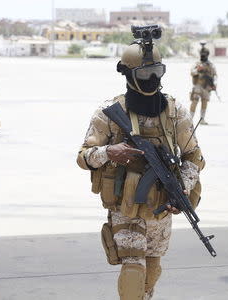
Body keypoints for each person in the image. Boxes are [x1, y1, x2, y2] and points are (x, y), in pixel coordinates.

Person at [76, 38, 205, 299]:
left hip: (161, 207)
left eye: (157, 72)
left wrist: (181, 188)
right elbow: (83, 157)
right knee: (133, 270)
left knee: (152, 270)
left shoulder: (175, 111)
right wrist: (109, 152)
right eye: (145, 73)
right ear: (128, 74)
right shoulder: (109, 112)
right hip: (126, 208)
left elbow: (194, 156)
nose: (152, 79)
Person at [189, 43, 217, 125]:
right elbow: (192, 72)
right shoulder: (197, 64)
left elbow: (214, 75)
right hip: (197, 85)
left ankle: (202, 119)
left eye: (205, 54)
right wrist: (198, 70)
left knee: (204, 102)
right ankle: (190, 119)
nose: (203, 56)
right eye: (202, 54)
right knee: (194, 101)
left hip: (206, 86)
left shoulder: (210, 65)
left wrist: (214, 84)